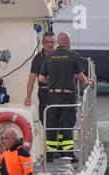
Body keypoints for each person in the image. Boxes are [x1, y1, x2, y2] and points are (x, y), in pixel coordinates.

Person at [39, 32, 94, 162]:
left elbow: (41, 78)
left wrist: (53, 81)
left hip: (52, 95)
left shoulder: (49, 57)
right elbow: (80, 77)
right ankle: (68, 153)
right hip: (68, 96)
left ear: (57, 42)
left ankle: (50, 155)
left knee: (52, 125)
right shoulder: (73, 56)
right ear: (68, 42)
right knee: (68, 124)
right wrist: (88, 82)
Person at [24, 32, 55, 124]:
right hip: (44, 92)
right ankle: (47, 137)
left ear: (55, 42)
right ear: (42, 43)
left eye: (52, 42)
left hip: (58, 93)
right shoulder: (38, 59)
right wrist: (28, 97)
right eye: (47, 42)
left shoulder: (59, 56)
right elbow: (32, 78)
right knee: (45, 118)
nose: (50, 44)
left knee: (58, 118)